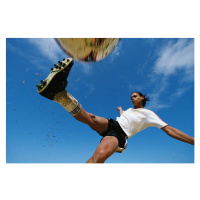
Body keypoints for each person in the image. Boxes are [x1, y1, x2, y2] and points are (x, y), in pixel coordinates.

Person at [37, 58, 194, 163]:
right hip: (112, 124)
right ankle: (59, 94)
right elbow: (124, 117)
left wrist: (194, 141)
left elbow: (170, 130)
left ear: (142, 99)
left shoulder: (148, 114)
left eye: (135, 96)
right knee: (90, 117)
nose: (132, 98)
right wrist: (120, 110)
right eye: (131, 97)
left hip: (119, 134)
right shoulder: (128, 111)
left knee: (98, 157)